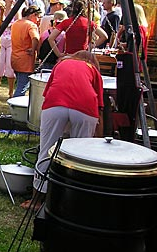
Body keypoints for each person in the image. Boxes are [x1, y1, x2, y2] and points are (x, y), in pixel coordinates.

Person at [22, 51, 103, 210]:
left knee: (46, 151)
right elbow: (99, 105)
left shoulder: (61, 64)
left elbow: (48, 93)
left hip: (55, 104)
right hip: (85, 108)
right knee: (80, 157)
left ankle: (36, 200)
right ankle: (73, 202)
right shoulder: (93, 70)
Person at [11, 5, 41, 97]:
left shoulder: (15, 23)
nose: (38, 20)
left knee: (20, 84)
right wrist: (33, 49)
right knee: (22, 87)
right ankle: (16, 104)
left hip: (15, 58)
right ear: (33, 15)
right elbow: (35, 38)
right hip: (26, 61)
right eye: (38, 17)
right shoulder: (31, 25)